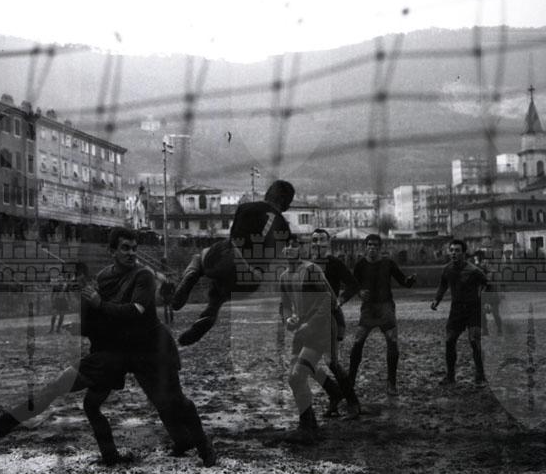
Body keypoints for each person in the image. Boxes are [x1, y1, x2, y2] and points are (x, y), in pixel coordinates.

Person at [0, 227, 216, 468]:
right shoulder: (102, 279)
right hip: (116, 352)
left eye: (134, 248)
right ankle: (5, 423)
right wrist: (81, 327)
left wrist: (99, 304)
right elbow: (102, 321)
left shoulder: (143, 275)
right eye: (125, 248)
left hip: (151, 350)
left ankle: (202, 446)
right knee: (68, 391)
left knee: (173, 402)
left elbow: (135, 311)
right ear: (111, 251)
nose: (131, 253)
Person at [172, 180, 295, 346]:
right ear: (285, 202)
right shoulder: (285, 230)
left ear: (268, 194)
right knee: (218, 295)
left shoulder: (246, 208)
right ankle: (209, 313)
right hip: (252, 280)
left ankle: (190, 278)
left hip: (231, 259)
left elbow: (235, 236)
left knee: (200, 257)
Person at [279, 237, 360, 444]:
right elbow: (285, 305)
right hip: (303, 330)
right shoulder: (284, 276)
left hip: (321, 327)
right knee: (294, 378)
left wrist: (314, 324)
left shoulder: (311, 270)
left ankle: (308, 426)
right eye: (286, 245)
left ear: (301, 249)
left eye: (294, 245)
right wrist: (288, 319)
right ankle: (313, 419)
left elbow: (328, 300)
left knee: (302, 373)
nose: (290, 248)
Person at [340, 234, 416, 396]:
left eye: (375, 245)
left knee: (392, 340)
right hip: (368, 308)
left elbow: (403, 281)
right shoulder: (360, 265)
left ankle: (391, 383)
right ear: (365, 247)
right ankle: (351, 381)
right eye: (369, 245)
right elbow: (354, 285)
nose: (372, 248)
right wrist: (359, 293)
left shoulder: (388, 263)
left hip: (385, 306)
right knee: (358, 341)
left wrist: (410, 281)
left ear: (380, 247)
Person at [431, 239, 488, 387]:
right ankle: (450, 376)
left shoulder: (474, 270)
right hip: (456, 309)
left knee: (474, 340)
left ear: (464, 253)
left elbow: (487, 284)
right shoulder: (447, 269)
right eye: (451, 250)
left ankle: (480, 376)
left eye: (457, 250)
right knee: (449, 340)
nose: (453, 253)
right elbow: (443, 285)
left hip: (474, 309)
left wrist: (485, 300)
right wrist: (437, 300)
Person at [473, 250, 503, 336]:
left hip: (493, 296)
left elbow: (493, 287)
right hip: (482, 296)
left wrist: (488, 301)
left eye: (485, 262)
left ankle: (500, 329)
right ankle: (485, 330)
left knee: (495, 314)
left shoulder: (493, 273)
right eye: (482, 262)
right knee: (482, 315)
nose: (483, 263)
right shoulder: (480, 271)